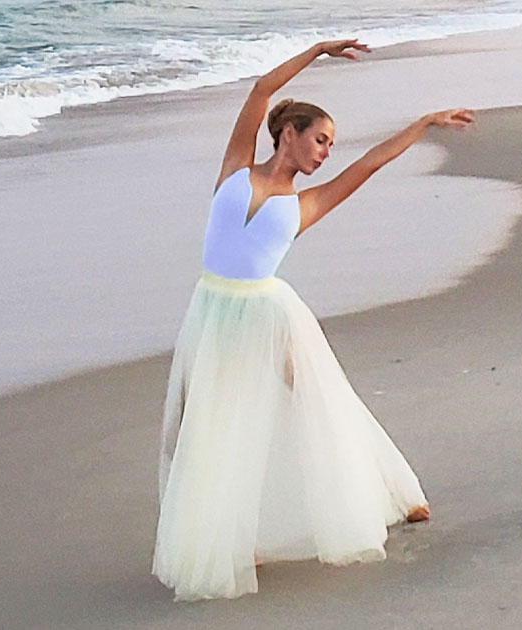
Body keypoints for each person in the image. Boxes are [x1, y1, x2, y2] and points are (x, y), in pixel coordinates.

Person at [152, 39, 475, 601]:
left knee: (319, 405)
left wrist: (422, 123)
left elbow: (371, 163)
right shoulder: (234, 170)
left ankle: (391, 494)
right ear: (288, 134)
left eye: (330, 145)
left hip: (268, 314)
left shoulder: (308, 203)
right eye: (321, 140)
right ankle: (228, 536)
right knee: (198, 426)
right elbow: (261, 90)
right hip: (210, 310)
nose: (326, 153)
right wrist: (318, 50)